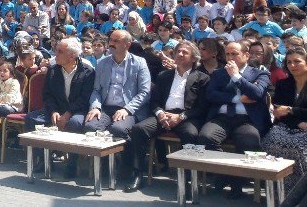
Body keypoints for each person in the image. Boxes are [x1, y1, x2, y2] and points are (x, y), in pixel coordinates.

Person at [125, 40, 209, 193]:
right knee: (139, 129)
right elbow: (154, 101)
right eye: (178, 51)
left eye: (185, 52)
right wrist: (160, 113)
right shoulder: (164, 76)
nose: (180, 54)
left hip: (186, 117)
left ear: (194, 58)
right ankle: (138, 174)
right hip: (163, 115)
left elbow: (202, 108)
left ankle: (187, 179)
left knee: (190, 134)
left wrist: (181, 117)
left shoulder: (202, 78)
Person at [197, 40, 272, 199]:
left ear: (246, 55)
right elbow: (211, 95)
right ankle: (225, 176)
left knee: (249, 142)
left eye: (235, 54)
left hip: (246, 120)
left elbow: (257, 94)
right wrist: (236, 98)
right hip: (222, 117)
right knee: (205, 137)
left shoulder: (260, 73)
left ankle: (236, 184)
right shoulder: (218, 73)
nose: (230, 57)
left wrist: (236, 76)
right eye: (228, 54)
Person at [25, 37, 95, 178]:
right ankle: (44, 160)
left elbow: (84, 98)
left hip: (77, 110)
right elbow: (47, 95)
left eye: (59, 52)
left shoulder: (87, 71)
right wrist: (54, 111)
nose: (55, 54)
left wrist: (68, 114)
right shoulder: (53, 70)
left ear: (71, 56)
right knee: (31, 119)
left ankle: (72, 164)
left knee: (74, 123)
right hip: (57, 108)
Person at [84, 30, 152, 167]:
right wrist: (96, 107)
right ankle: (103, 166)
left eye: (116, 41)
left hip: (129, 109)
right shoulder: (103, 63)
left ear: (127, 44)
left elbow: (145, 92)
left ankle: (128, 167)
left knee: (119, 129)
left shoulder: (139, 63)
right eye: (111, 40)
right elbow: (96, 90)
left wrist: (127, 109)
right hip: (106, 107)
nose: (111, 44)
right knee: (90, 126)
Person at [263, 47, 307, 190]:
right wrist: (297, 121)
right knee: (272, 140)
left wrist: (290, 109)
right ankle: (277, 190)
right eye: (289, 62)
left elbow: (285, 110)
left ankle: (299, 192)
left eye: (297, 61)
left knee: (299, 147)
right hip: (288, 125)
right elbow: (278, 111)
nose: (292, 65)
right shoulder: (283, 84)